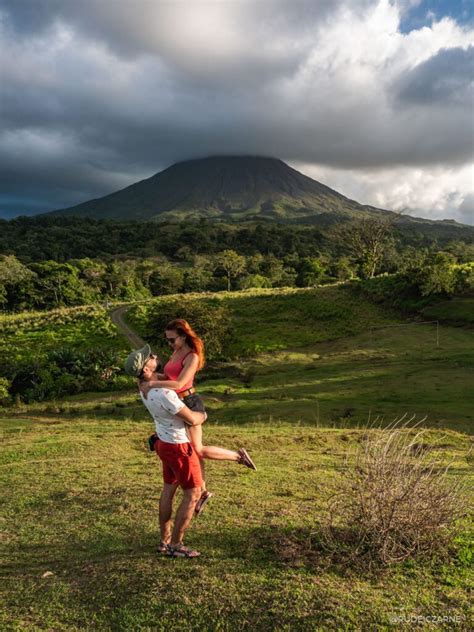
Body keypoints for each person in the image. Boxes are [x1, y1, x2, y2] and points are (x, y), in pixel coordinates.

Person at [139, 320, 256, 514]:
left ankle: (238, 456)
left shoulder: (191, 357)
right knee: (191, 449)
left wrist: (151, 385)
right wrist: (147, 378)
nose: (169, 344)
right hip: (177, 403)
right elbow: (167, 376)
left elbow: (179, 383)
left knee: (198, 449)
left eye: (172, 340)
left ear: (183, 336)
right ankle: (202, 492)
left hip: (189, 401)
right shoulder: (176, 352)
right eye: (167, 341)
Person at [125, 344, 205, 557]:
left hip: (163, 443)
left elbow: (159, 377)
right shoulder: (163, 393)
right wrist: (203, 415)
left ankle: (164, 540)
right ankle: (176, 545)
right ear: (146, 370)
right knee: (193, 493)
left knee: (169, 488)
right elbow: (192, 418)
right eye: (149, 357)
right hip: (179, 446)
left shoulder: (143, 387)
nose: (154, 356)